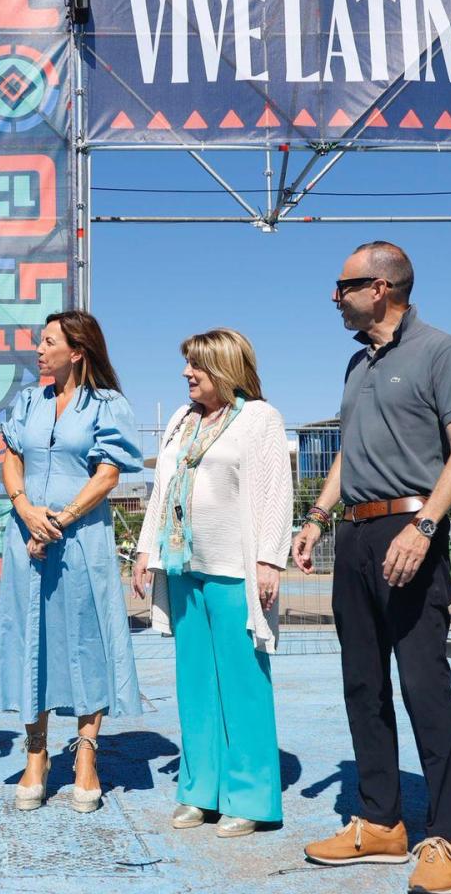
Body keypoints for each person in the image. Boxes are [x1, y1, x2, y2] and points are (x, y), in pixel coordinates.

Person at [293, 241, 451, 894]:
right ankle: (381, 823)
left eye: (342, 284)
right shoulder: (357, 364)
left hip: (412, 530)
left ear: (380, 288)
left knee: (423, 684)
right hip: (355, 536)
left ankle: (445, 836)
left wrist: (425, 525)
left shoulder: (440, 351)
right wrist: (317, 518)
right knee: (362, 684)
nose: (333, 295)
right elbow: (349, 452)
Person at [133, 328, 293, 839]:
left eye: (196, 366)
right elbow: (161, 490)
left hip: (234, 570)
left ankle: (249, 796)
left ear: (223, 367)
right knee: (194, 685)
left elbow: (274, 493)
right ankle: (200, 790)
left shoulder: (259, 419)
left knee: (244, 683)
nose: (186, 374)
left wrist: (270, 559)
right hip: (185, 567)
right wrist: (145, 550)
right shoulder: (182, 421)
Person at [0, 311, 144, 813]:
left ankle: (86, 757)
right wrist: (26, 509)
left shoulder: (108, 404)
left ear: (76, 351)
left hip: (81, 541)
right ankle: (37, 753)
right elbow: (11, 455)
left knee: (86, 642)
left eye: (48, 341)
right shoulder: (28, 400)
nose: (38, 349)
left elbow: (108, 475)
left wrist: (60, 520)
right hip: (27, 540)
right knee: (29, 638)